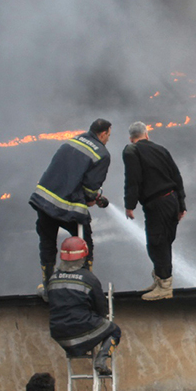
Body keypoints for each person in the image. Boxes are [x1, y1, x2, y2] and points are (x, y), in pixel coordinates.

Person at [29, 119, 112, 291]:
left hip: (44, 201)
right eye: (108, 135)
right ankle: (85, 284)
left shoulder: (72, 141)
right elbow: (90, 188)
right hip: (68, 205)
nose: (108, 139)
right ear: (103, 133)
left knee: (47, 244)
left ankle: (48, 286)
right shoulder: (102, 153)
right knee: (84, 242)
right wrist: (92, 198)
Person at [123, 121, 186, 301]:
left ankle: (165, 287)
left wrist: (129, 205)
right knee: (162, 242)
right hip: (171, 201)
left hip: (158, 203)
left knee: (157, 244)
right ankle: (160, 280)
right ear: (147, 134)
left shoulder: (131, 151)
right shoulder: (161, 149)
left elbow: (133, 179)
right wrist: (182, 205)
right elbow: (177, 176)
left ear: (131, 138)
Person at [47, 236, 121, 374]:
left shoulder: (53, 279)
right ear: (83, 256)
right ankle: (101, 360)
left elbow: (47, 296)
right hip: (81, 335)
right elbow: (102, 310)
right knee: (114, 330)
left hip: (60, 337)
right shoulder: (89, 279)